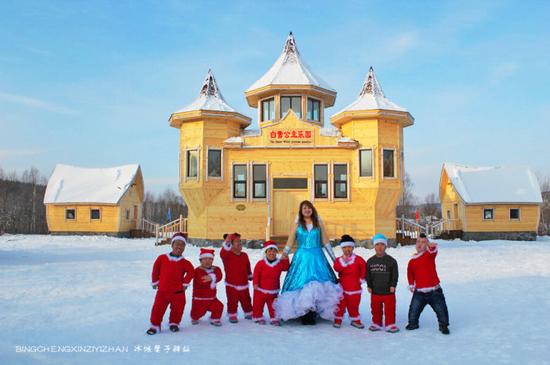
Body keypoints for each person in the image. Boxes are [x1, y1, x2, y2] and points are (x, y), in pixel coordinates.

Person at [273, 200, 342, 325]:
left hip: (317, 257)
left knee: (318, 284)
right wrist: (283, 255)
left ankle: (314, 312)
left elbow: (325, 241)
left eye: (309, 208)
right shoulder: (297, 224)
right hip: (302, 258)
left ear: (312, 210)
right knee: (300, 283)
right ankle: (302, 312)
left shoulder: (318, 224)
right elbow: (290, 241)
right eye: (304, 208)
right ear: (301, 210)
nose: (307, 210)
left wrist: (334, 259)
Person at [146, 232, 194, 335]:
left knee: (178, 309)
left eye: (182, 244)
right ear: (172, 245)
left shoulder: (185, 263)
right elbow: (156, 269)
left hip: (178, 293)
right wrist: (155, 281)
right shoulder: (162, 258)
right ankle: (155, 325)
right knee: (157, 309)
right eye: (177, 243)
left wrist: (185, 283)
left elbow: (191, 272)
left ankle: (174, 323)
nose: (179, 246)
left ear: (184, 247)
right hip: (163, 291)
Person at [406, 233, 450, 335]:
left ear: (427, 245)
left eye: (423, 242)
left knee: (441, 309)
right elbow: (410, 274)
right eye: (418, 242)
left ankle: (443, 325)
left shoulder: (428, 255)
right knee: (414, 309)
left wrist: (431, 246)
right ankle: (413, 323)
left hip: (434, 291)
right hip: (419, 292)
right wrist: (411, 284)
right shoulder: (412, 261)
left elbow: (433, 251)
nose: (420, 244)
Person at [366, 233, 399, 333]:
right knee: (375, 309)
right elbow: (368, 275)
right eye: (377, 245)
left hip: (388, 291)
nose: (379, 247)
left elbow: (395, 275)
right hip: (375, 291)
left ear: (386, 246)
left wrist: (393, 285)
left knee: (390, 309)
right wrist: (369, 285)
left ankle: (390, 324)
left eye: (382, 244)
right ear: (374, 246)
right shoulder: (370, 261)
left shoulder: (391, 261)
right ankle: (377, 323)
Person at [252, 240, 290, 326]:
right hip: (260, 289)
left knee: (273, 306)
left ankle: (274, 318)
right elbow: (256, 274)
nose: (271, 253)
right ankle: (258, 317)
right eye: (269, 251)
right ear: (266, 252)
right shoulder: (261, 263)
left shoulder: (279, 263)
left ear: (276, 252)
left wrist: (286, 258)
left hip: (273, 289)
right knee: (258, 305)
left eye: (274, 251)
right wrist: (255, 283)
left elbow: (286, 268)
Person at [333, 234, 366, 329]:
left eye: (350, 247)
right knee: (340, 306)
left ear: (353, 248)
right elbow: (336, 268)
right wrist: (343, 262)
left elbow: (364, 268)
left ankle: (355, 320)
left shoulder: (358, 259)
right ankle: (338, 320)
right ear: (342, 248)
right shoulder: (339, 260)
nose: (347, 249)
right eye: (345, 247)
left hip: (355, 289)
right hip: (342, 289)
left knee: (354, 306)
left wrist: (362, 278)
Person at [220, 232, 253, 323]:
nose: (239, 243)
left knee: (246, 299)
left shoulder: (244, 255)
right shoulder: (227, 255)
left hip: (244, 283)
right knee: (232, 301)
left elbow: (248, 266)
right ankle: (232, 314)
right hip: (231, 284)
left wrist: (249, 275)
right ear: (231, 244)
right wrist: (226, 243)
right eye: (237, 241)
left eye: (240, 241)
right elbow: (222, 253)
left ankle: (248, 312)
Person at [190, 248, 224, 326]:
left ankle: (215, 319)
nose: (207, 261)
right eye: (205, 259)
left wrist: (212, 277)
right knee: (197, 313)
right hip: (200, 299)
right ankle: (194, 317)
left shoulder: (216, 269)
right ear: (201, 260)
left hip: (212, 298)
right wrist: (213, 277)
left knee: (219, 306)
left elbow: (220, 276)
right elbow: (202, 281)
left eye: (210, 259)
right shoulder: (197, 271)